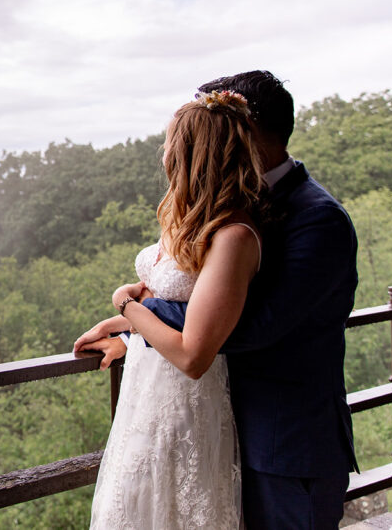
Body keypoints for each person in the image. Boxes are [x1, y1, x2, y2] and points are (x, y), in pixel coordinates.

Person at [81, 71, 359, 529]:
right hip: (218, 432)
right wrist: (136, 341)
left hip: (285, 447)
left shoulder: (318, 220)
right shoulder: (226, 203)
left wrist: (135, 317)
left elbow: (250, 325)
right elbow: (203, 296)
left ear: (244, 130)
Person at [75, 87, 263, 528]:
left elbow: (193, 356)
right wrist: (128, 335)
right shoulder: (187, 219)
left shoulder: (233, 236)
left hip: (186, 404)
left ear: (193, 153)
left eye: (170, 143)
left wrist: (126, 305)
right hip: (144, 392)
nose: (163, 153)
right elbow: (176, 304)